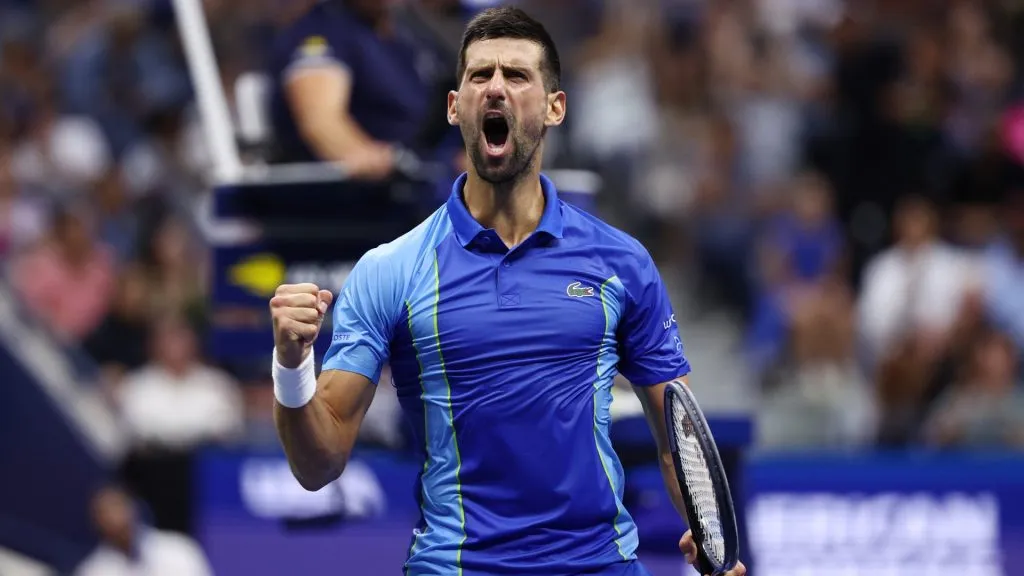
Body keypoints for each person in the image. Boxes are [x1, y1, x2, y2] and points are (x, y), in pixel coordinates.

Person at [269, 7, 747, 576]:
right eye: (480, 75)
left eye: (517, 75)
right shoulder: (389, 271)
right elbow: (317, 465)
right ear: (454, 108)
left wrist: (707, 532)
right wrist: (292, 367)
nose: (496, 87)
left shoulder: (623, 263)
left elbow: (679, 439)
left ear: (554, 108)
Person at [267, 0, 435, 179]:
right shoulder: (321, 32)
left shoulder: (406, 34)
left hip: (425, 171)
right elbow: (322, 123)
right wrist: (367, 157)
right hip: (365, 193)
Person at [73, 485, 212, 576]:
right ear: (96, 522)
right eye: (105, 513)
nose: (114, 519)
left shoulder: (178, 550)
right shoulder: (92, 571)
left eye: (117, 507)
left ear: (133, 507)